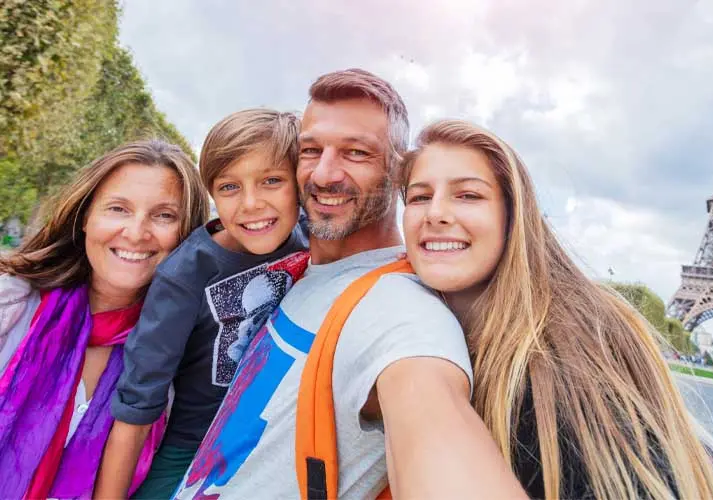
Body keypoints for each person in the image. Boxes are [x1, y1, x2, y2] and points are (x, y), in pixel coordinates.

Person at [172, 69, 526, 499]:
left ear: (399, 171)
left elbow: (431, 412)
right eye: (311, 150)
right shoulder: (300, 268)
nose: (324, 174)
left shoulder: (400, 310)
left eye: (356, 153)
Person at [400, 119, 713, 500]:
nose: (435, 213)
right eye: (419, 197)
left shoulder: (561, 365)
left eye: (468, 195)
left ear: (514, 217)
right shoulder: (443, 325)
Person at [95, 110, 310, 499]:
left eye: (272, 181)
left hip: (275, 444)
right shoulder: (185, 277)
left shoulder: (311, 239)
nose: (250, 204)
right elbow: (137, 406)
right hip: (191, 450)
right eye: (229, 187)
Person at [0, 140, 208, 499]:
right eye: (118, 209)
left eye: (164, 216)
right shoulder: (11, 306)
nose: (136, 232)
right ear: (85, 218)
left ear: (186, 235)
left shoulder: (183, 356)